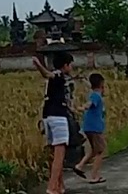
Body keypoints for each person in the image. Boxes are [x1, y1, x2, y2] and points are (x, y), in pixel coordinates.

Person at [33, 52, 75, 194]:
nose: (72, 67)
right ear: (66, 65)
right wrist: (39, 66)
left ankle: (60, 186)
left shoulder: (60, 79)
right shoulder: (58, 75)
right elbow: (47, 74)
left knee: (55, 153)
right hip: (58, 116)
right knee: (59, 154)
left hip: (48, 116)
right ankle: (52, 187)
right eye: (71, 64)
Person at [72, 72, 107, 183]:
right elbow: (90, 103)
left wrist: (83, 81)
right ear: (102, 84)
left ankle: (79, 166)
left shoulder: (94, 93)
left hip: (88, 127)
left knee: (92, 150)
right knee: (100, 151)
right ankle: (94, 176)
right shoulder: (96, 96)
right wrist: (83, 107)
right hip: (95, 128)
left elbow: (91, 89)